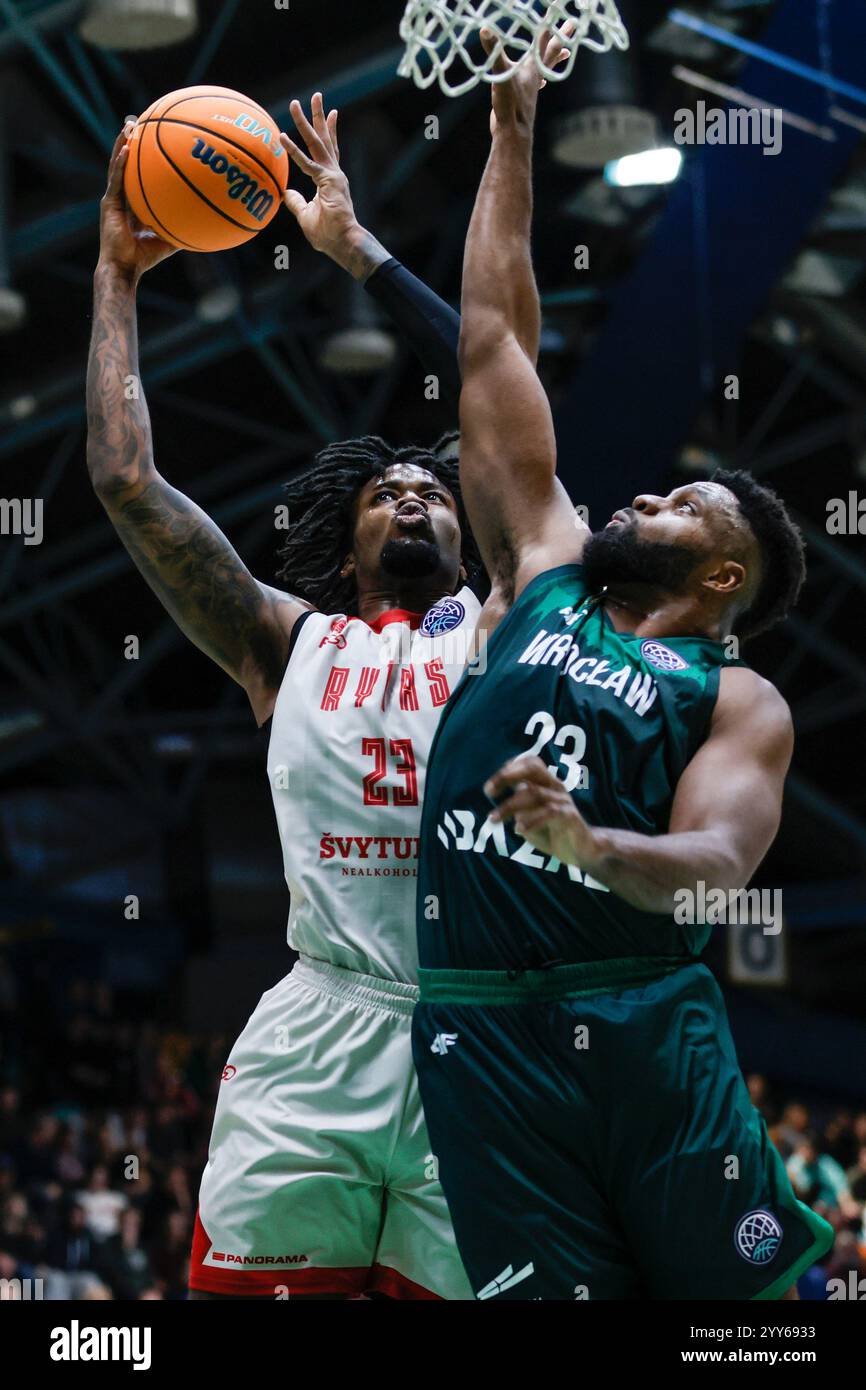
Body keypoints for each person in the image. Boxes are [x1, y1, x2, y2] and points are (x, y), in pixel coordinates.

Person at [410, 31, 835, 1300]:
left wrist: (591, 844)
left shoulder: (734, 698)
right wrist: (511, 130)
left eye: (680, 504)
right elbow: (492, 342)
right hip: (476, 1028)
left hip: (642, 1022)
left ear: (721, 580)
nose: (642, 493)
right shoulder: (540, 569)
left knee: (752, 1325)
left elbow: (711, 875)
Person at [86, 102, 487, 1299]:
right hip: (318, 1030)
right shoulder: (281, 640)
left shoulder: (514, 624)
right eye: (387, 491)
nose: (412, 494)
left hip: (476, 1035)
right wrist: (114, 270)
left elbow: (497, 387)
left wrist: (359, 253)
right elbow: (123, 477)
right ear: (347, 536)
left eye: (433, 487)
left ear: (473, 528)